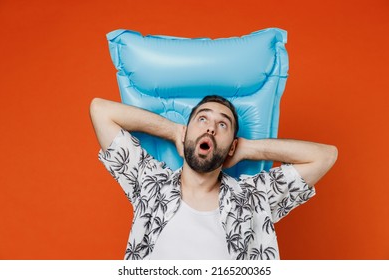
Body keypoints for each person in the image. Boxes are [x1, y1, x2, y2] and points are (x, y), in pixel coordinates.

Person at [90, 95, 337, 260]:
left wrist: (248, 149)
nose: (210, 127)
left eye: (223, 125)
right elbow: (100, 110)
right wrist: (174, 131)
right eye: (203, 118)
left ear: (231, 146)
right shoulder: (150, 184)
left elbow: (325, 156)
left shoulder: (254, 198)